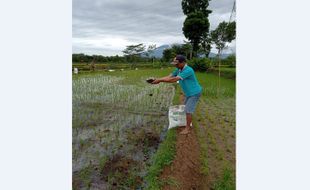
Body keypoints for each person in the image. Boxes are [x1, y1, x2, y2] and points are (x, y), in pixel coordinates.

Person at [152, 55, 202, 135]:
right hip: (188, 93)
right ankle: (187, 121)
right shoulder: (178, 69)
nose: (175, 65)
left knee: (188, 110)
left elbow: (174, 79)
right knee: (186, 108)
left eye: (177, 64)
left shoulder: (188, 70)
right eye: (174, 64)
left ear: (183, 62)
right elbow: (170, 76)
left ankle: (188, 128)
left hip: (194, 93)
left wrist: (160, 80)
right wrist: (157, 79)